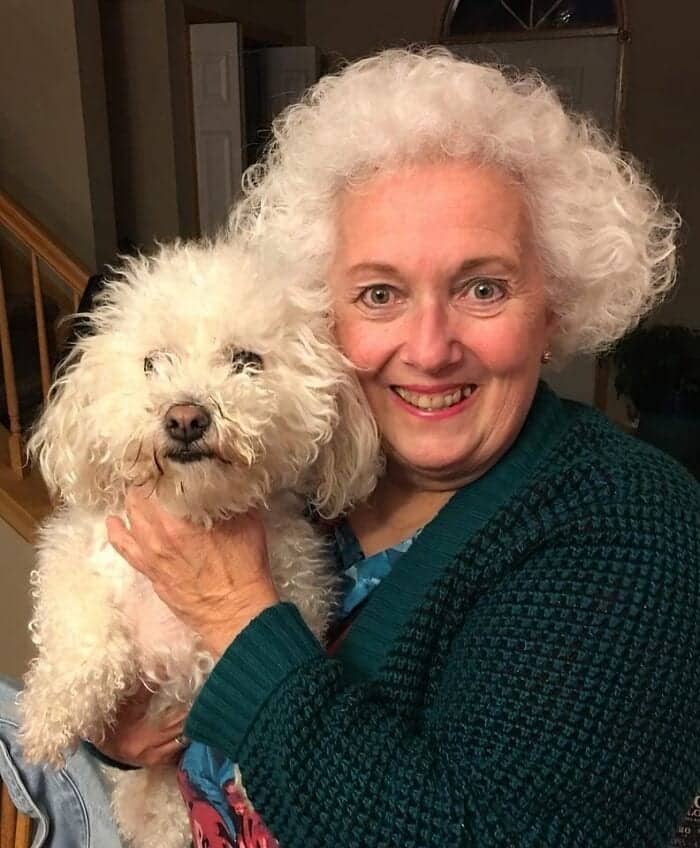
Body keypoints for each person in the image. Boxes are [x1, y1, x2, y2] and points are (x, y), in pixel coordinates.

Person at [94, 48, 699, 846]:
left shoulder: (637, 524)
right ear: (321, 313)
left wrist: (237, 614)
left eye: (482, 287)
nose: (430, 346)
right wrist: (117, 734)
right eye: (380, 294)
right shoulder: (285, 460)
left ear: (553, 306)